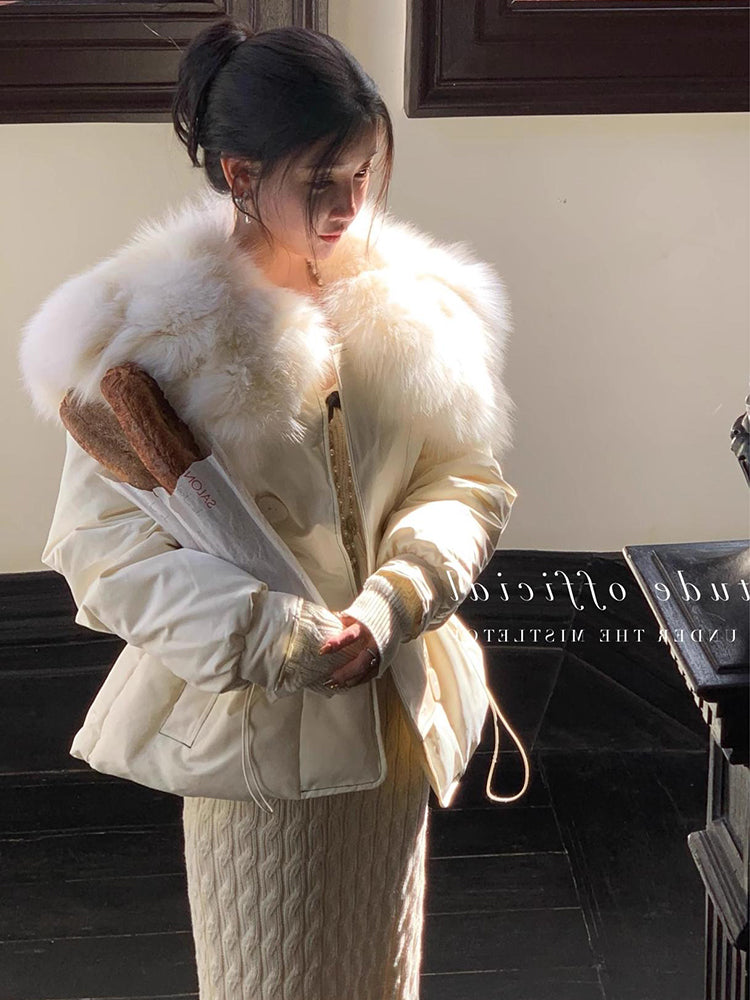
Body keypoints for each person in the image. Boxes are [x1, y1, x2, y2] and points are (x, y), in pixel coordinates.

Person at [18, 16, 519, 1000]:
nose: (351, 205)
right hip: (256, 739)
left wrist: (392, 602)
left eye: (363, 172)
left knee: (383, 973)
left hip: (394, 720)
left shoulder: (414, 309)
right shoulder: (147, 338)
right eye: (322, 179)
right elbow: (102, 552)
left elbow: (463, 479)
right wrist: (282, 638)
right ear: (240, 173)